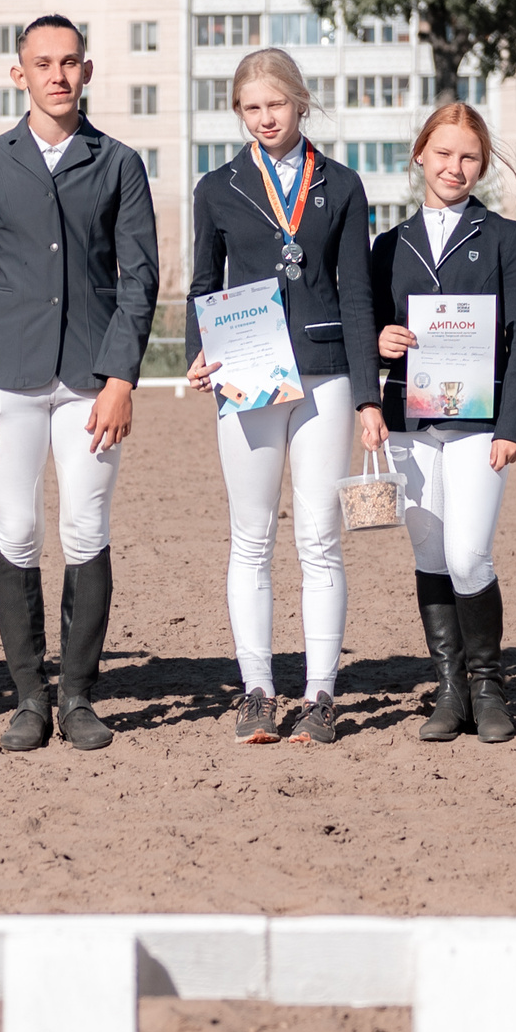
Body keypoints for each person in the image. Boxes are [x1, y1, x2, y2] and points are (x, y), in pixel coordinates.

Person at [0, 15, 159, 753]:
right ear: (20, 74)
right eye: (43, 63)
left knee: (86, 527)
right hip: (8, 376)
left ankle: (77, 694)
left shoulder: (120, 163)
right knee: (18, 531)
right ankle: (28, 697)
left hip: (92, 379)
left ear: (87, 71)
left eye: (70, 62)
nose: (58, 75)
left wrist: (123, 375)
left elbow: (141, 280)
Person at [185, 49, 383, 745]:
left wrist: (369, 397)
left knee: (320, 539)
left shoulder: (344, 184)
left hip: (327, 373)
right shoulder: (217, 187)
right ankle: (257, 691)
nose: (266, 118)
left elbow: (358, 292)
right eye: (251, 108)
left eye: (277, 104)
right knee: (252, 536)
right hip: (247, 370)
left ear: (301, 102)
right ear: (238, 113)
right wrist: (196, 351)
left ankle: (322, 692)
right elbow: (203, 283)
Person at [370, 102, 516, 743]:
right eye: (443, 153)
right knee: (431, 552)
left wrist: (514, 425)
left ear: (483, 163)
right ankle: (449, 688)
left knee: (469, 553)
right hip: (410, 426)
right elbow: (367, 325)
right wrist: (378, 346)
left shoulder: (504, 239)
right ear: (420, 155)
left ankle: (489, 683)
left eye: (469, 156)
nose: (455, 167)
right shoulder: (387, 245)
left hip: (479, 425)